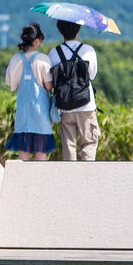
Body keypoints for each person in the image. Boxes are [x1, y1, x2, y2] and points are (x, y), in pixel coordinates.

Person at [48, 20, 100, 160]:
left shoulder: (54, 53)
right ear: (79, 29)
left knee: (68, 145)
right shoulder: (88, 50)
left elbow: (51, 79)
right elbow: (92, 75)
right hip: (86, 104)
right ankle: (87, 176)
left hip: (64, 106)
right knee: (89, 142)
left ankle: (70, 177)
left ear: (60, 31)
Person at [4, 22, 56, 160]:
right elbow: (49, 85)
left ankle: (23, 181)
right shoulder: (43, 59)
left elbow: (11, 84)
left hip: (23, 113)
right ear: (37, 40)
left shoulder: (15, 59)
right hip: (40, 112)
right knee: (41, 152)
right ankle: (40, 181)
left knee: (24, 152)